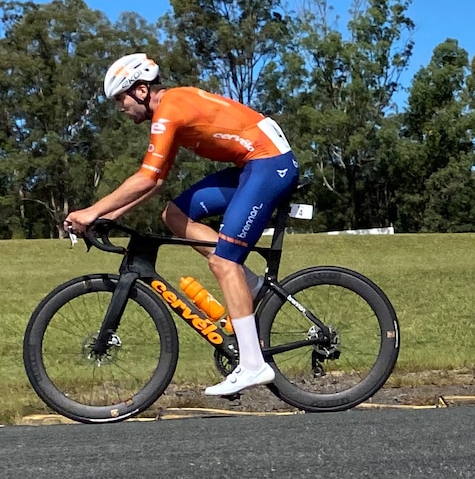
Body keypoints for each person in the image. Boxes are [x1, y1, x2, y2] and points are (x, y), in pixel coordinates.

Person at [65, 53, 300, 395]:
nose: (120, 108)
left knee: (224, 261)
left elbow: (146, 177)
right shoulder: (170, 108)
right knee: (174, 215)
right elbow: (157, 181)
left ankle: (253, 364)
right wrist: (109, 216)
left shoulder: (169, 111)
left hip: (269, 164)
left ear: (141, 91)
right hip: (253, 164)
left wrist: (90, 211)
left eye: (120, 99)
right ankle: (249, 285)